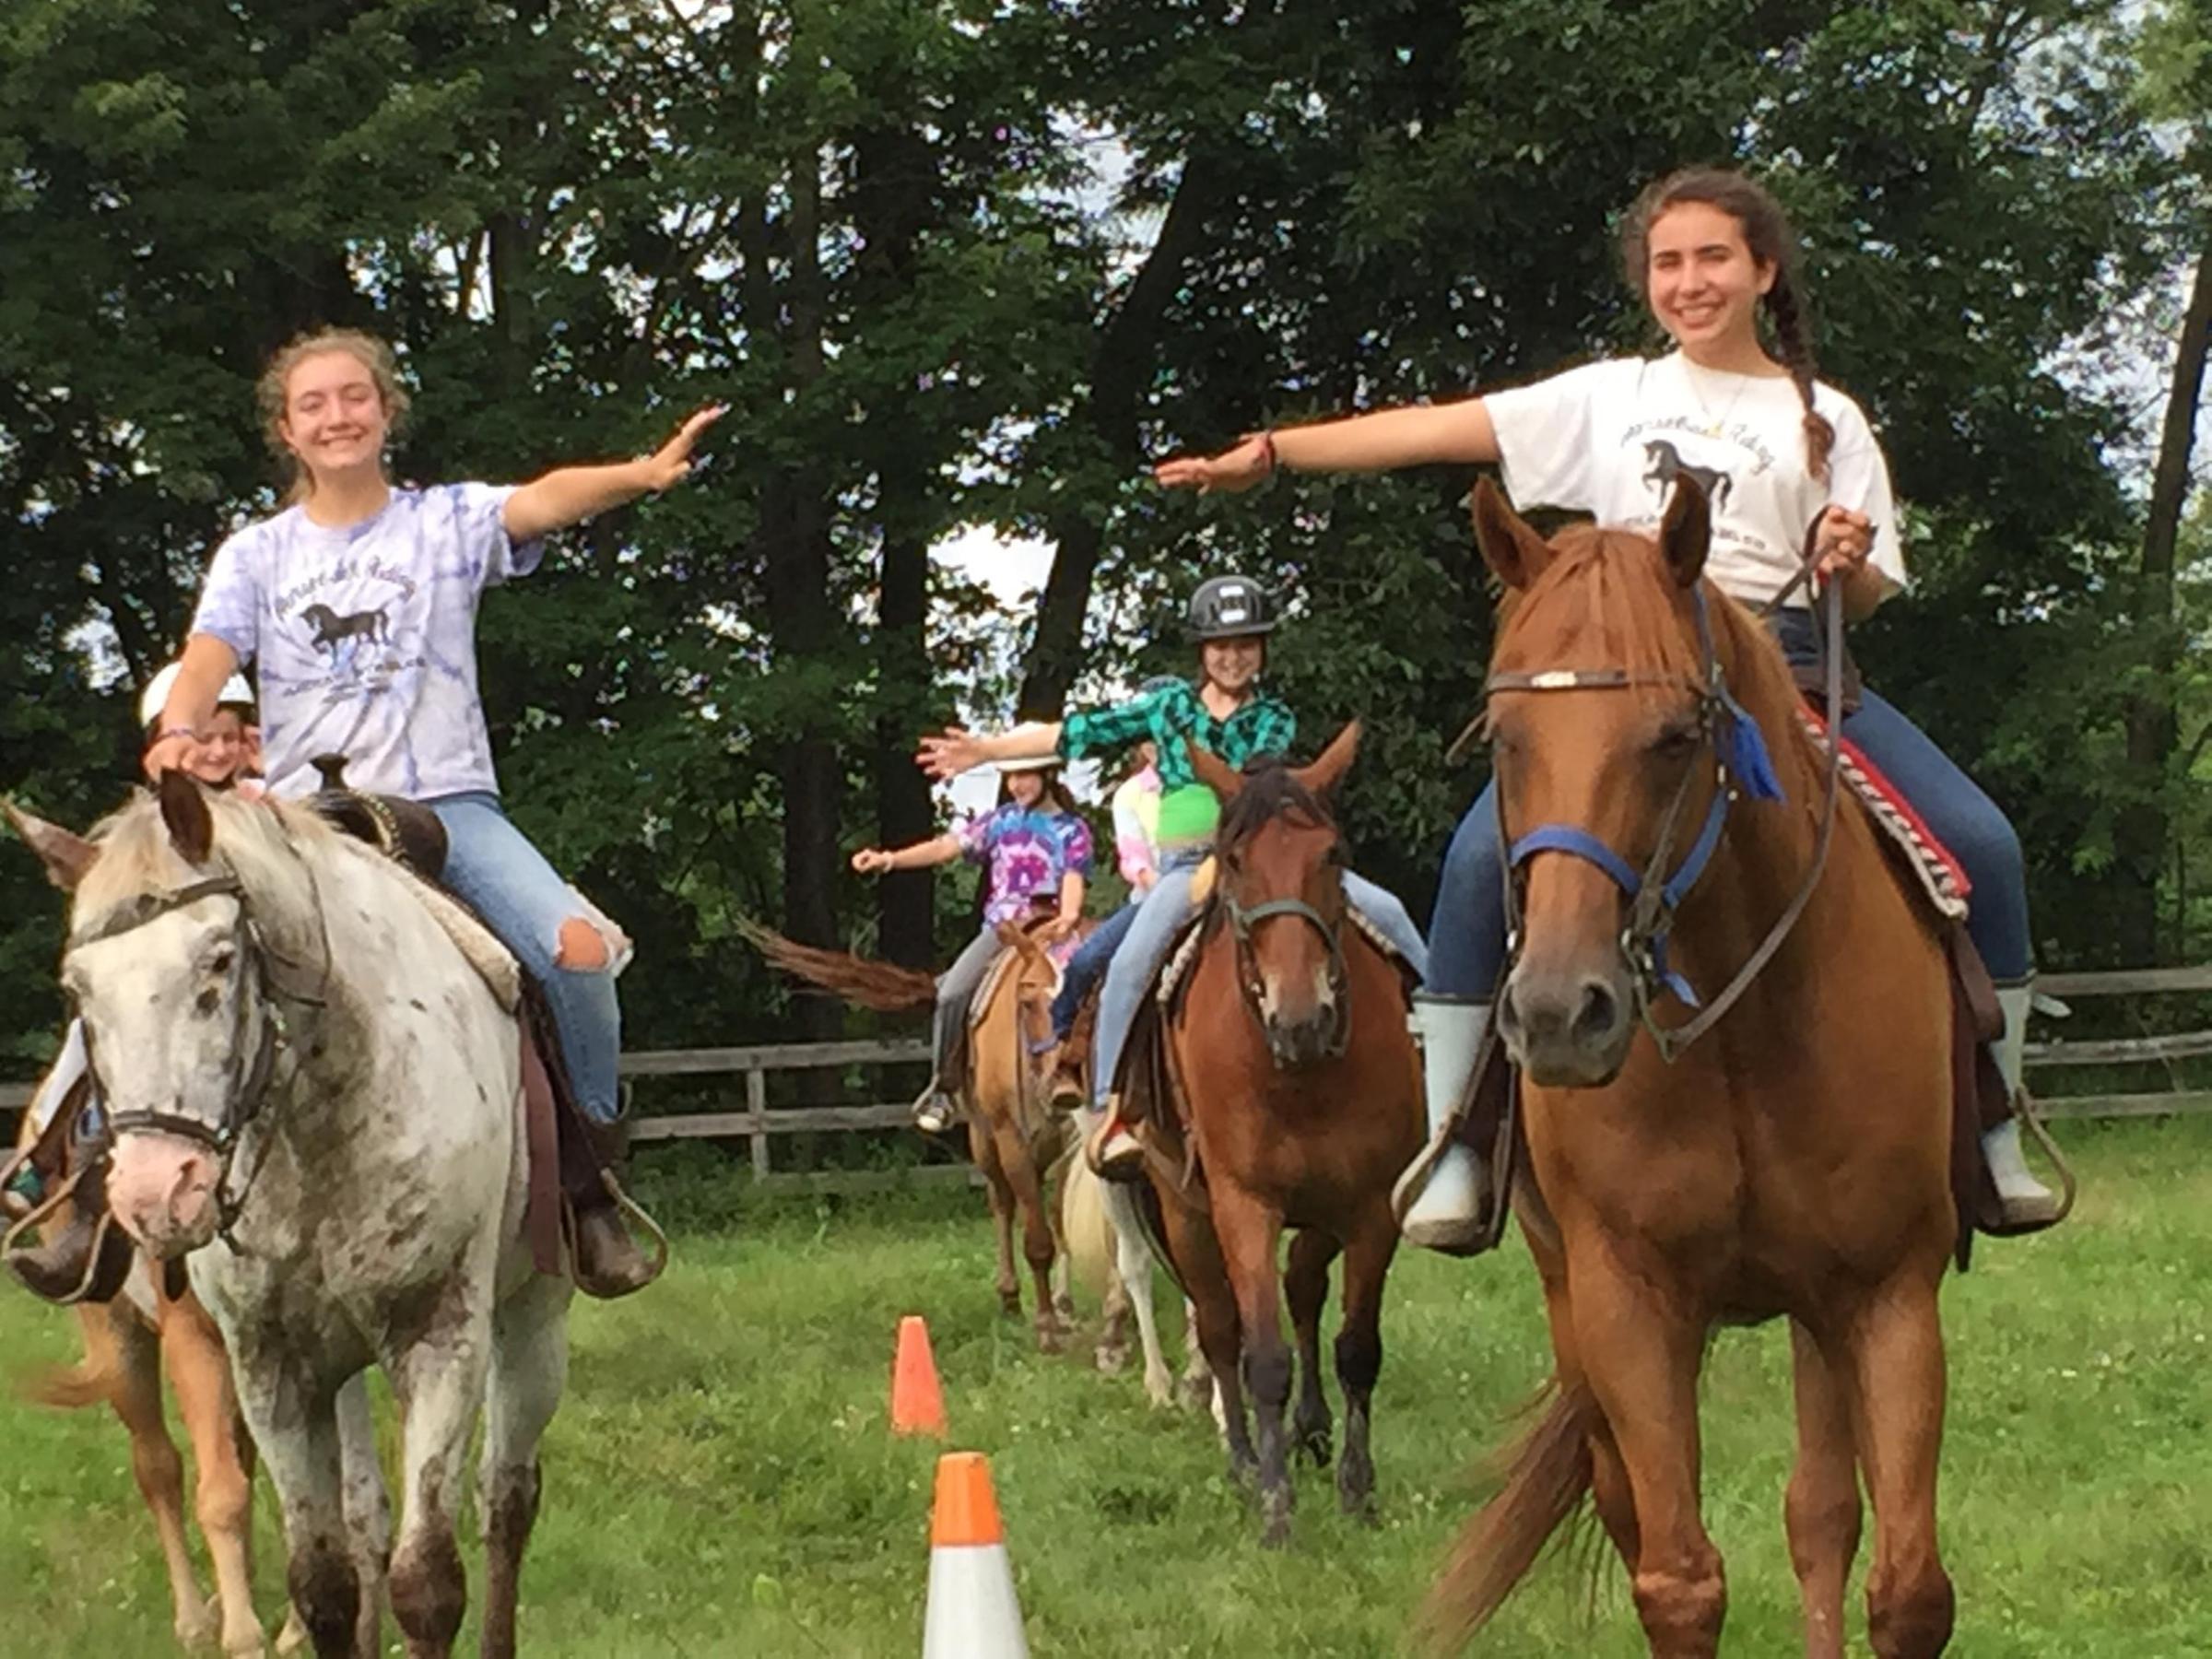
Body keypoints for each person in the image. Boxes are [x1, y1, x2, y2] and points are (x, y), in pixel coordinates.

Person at [1156, 166, 2055, 1248]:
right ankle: (1459, 1140)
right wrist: (1275, 454)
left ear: (1764, 271)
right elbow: (1440, 430)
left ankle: (1993, 1124)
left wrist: (1844, 558)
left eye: (1714, 257)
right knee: (1477, 866)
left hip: (1793, 674)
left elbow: (1861, 596)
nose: (1690, 281)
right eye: (1668, 262)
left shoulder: (1828, 420)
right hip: (1630, 685)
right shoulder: (1611, 397)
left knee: (1981, 843)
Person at [140, 327, 721, 1298]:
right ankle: (100, 1189)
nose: (337, 416)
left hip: (444, 804)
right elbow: (208, 655)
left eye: (354, 396)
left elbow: (541, 499)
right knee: (161, 947)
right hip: (305, 821)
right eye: (314, 404)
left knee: (578, 954)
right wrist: (176, 729)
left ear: (386, 410)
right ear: (286, 430)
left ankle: (589, 1185)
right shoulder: (256, 555)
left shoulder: (444, 522)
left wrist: (642, 474)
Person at [918, 575, 1429, 1174]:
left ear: (1262, 650)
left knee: (1389, 912)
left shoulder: (1273, 718)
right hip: (1184, 869)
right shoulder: (1166, 708)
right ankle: (1111, 1109)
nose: (1233, 657)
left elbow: (1254, 788)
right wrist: (986, 751)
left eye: (1246, 644)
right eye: (1221, 646)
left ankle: (1441, 1057)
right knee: (1125, 963)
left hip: (1253, 862)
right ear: (1202, 651)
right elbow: (1078, 732)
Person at [4, 666, 262, 1299]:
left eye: (229, 737)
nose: (217, 751)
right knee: (91, 1037)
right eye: (203, 737)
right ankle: (54, 1169)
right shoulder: (145, 828)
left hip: (242, 985)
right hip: (167, 986)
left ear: (250, 742)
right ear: (163, 744)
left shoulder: (265, 806)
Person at [857, 758, 1092, 1134]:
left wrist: (1068, 916)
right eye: (1011, 776)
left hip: (1052, 929)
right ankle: (943, 1089)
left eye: (1024, 774)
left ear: (1047, 774)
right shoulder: (1000, 821)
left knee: (1093, 990)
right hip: (1003, 931)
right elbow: (945, 847)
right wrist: (889, 860)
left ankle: (1102, 1084)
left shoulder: (1072, 829)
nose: (1016, 785)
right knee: (952, 993)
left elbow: (1073, 879)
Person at [1041, 677, 1176, 1051]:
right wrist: (1166, 888)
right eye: (1151, 736)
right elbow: (1133, 859)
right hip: (1152, 901)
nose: (1161, 743)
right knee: (1087, 960)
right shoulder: (1130, 795)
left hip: (1214, 894)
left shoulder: (1211, 786)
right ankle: (1064, 1041)